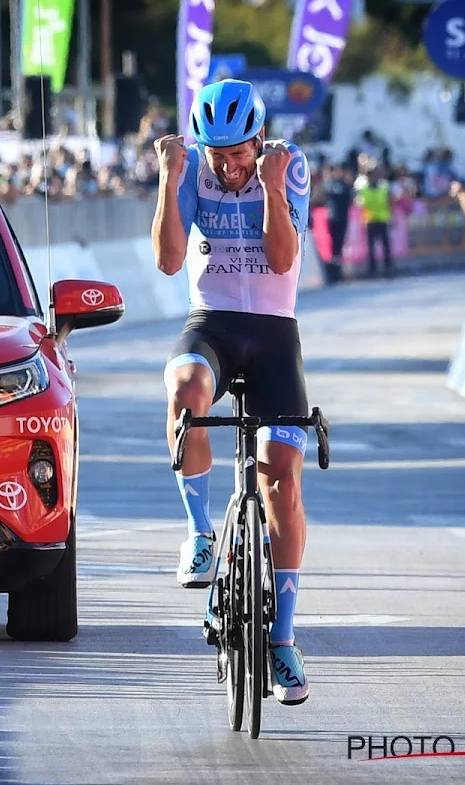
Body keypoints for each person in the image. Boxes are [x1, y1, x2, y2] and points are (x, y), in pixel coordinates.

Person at [151, 78, 312, 706]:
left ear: (260, 139)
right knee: (185, 390)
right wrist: (170, 180)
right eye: (217, 153)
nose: (229, 165)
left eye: (239, 151)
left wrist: (269, 185)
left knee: (283, 481)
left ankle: (284, 642)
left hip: (275, 336)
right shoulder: (191, 169)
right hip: (212, 322)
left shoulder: (289, 165)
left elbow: (279, 261)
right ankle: (199, 534)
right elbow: (168, 261)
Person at [355, 158, 393, 278]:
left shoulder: (384, 187)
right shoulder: (364, 189)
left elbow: (389, 201)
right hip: (370, 220)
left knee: (385, 246)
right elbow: (360, 203)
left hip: (382, 219)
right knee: (371, 247)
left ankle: (388, 269)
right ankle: (373, 270)